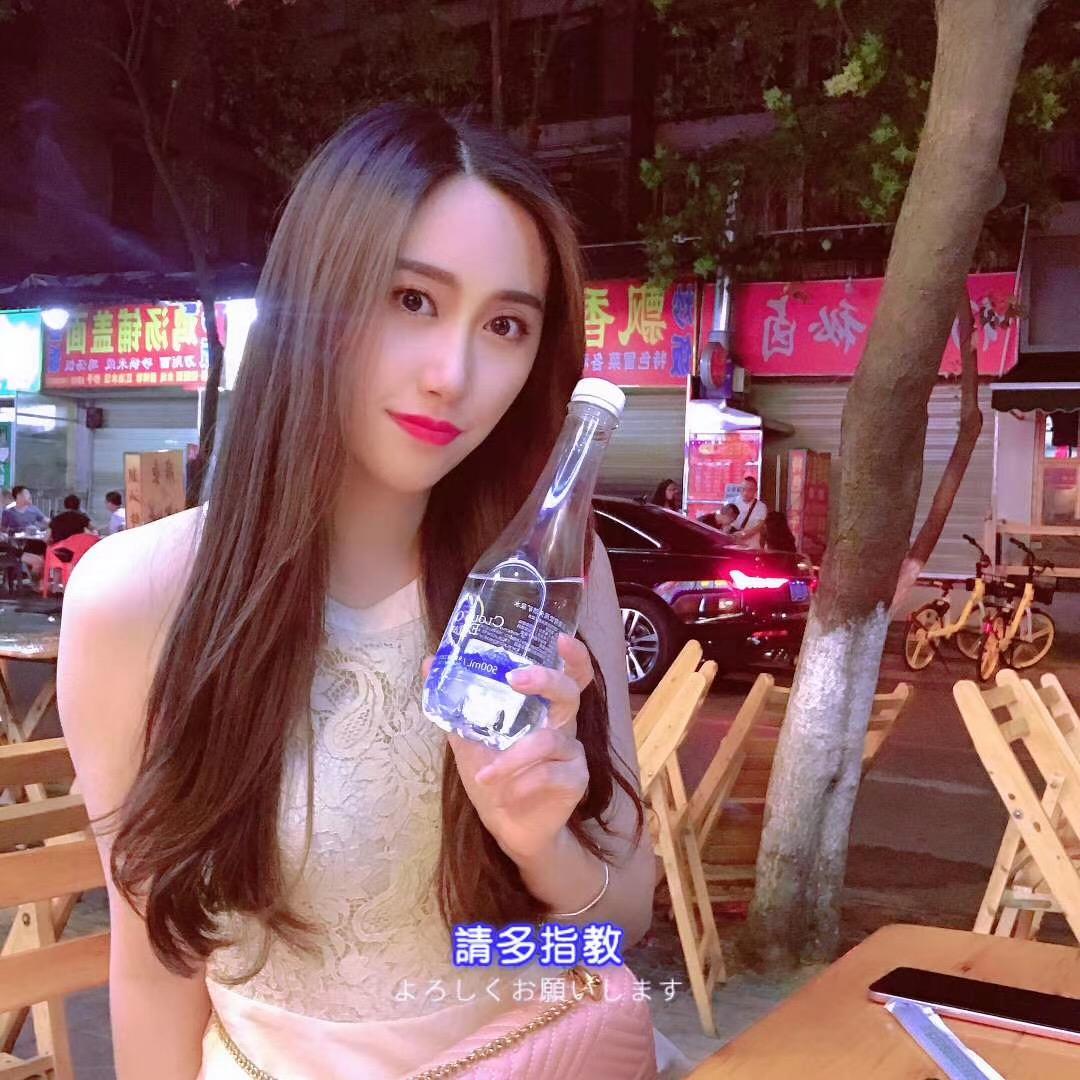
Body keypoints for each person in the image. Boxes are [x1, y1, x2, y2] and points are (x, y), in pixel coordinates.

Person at [58, 105, 668, 1080]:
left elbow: (615, 927)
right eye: (411, 299)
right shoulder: (136, 599)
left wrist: (540, 850)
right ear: (317, 297)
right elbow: (157, 962)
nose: (452, 374)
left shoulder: (548, 586)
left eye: (505, 325)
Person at [2, 485, 49, 578]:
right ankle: (31, 577)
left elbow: (46, 521)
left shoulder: (34, 509)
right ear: (19, 496)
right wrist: (11, 531)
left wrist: (55, 523)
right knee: (36, 559)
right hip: (17, 544)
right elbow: (3, 528)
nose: (30, 496)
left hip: (33, 541)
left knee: (46, 548)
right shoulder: (8, 512)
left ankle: (37, 578)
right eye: (27, 493)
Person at [730, 475, 768, 549]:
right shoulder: (731, 502)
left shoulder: (761, 507)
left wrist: (743, 534)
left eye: (750, 490)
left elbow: (759, 526)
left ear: (755, 490)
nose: (745, 493)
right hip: (733, 546)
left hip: (752, 547)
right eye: (743, 489)